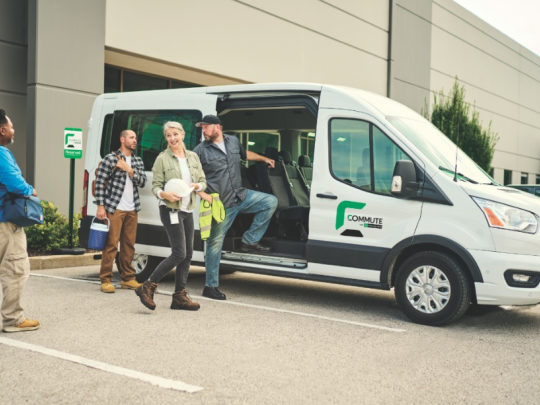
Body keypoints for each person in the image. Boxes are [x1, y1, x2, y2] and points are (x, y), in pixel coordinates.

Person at [193, 115, 278, 300]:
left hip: (241, 195)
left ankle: (249, 240)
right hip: (221, 205)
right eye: (202, 128)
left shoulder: (232, 141)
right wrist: (202, 194)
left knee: (270, 202)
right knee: (214, 244)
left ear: (217, 127)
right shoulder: (200, 150)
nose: (203, 130)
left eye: (206, 127)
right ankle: (210, 286)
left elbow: (245, 154)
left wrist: (264, 159)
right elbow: (190, 177)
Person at [136, 122, 211, 311]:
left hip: (187, 209)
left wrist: (197, 187)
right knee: (179, 252)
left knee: (187, 256)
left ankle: (179, 296)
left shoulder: (193, 157)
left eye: (175, 134)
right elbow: (156, 186)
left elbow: (202, 181)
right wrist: (165, 194)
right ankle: (147, 285)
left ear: (182, 134)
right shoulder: (162, 159)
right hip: (170, 209)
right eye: (168, 135)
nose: (172, 138)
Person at [0, 109, 40, 332]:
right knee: (15, 269)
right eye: (11, 126)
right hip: (6, 221)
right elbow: (14, 182)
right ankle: (13, 319)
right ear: (2, 130)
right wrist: (30, 190)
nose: (13, 131)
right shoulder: (1, 152)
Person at [95, 130, 147, 293]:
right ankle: (106, 279)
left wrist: (129, 169)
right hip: (114, 208)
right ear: (122, 139)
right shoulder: (110, 159)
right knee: (111, 245)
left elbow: (143, 182)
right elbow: (100, 182)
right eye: (131, 138)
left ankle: (128, 278)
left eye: (135, 138)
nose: (134, 141)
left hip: (132, 209)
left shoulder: (137, 161)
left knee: (129, 245)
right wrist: (100, 206)